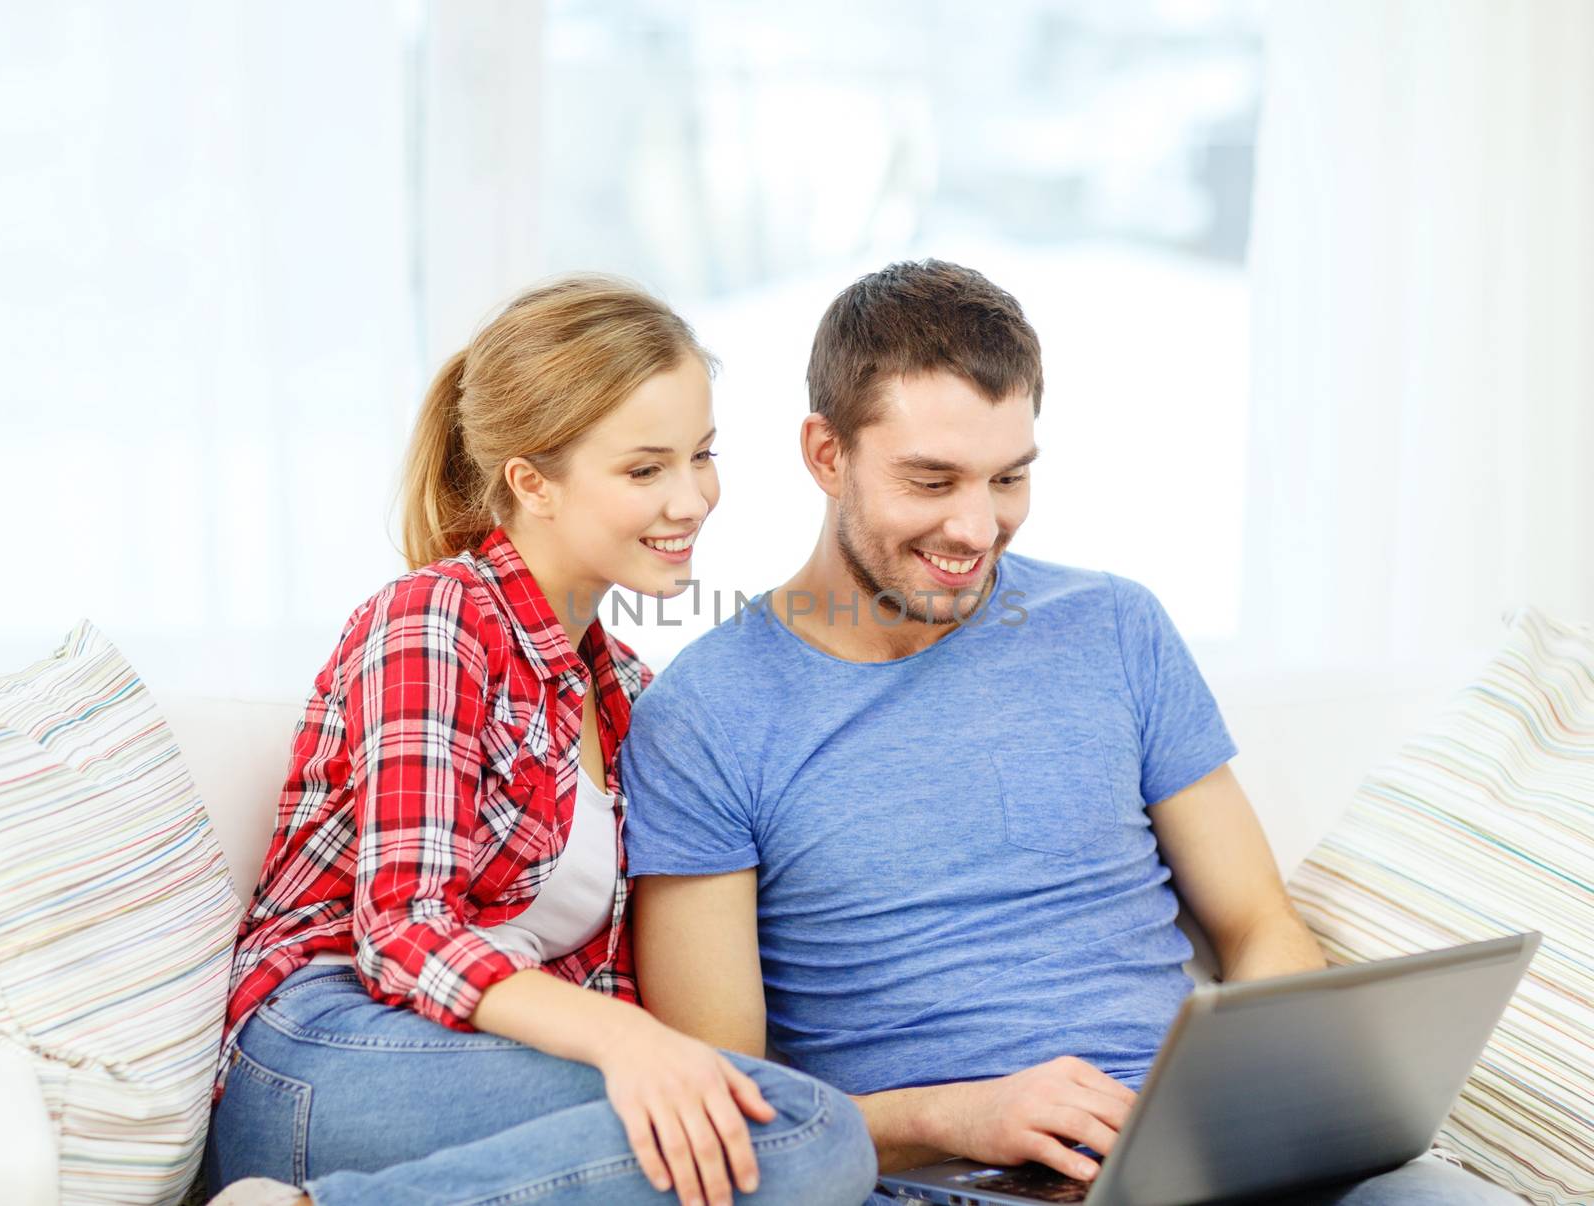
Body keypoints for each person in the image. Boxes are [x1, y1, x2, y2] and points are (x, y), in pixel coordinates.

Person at [619, 259, 1519, 1204]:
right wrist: (950, 1117)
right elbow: (726, 1105)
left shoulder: (1115, 626)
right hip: (954, 1182)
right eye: (931, 480)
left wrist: (1265, 1103)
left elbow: (1260, 924)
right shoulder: (704, 715)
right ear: (825, 453)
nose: (975, 525)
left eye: (1009, 478)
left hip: (1207, 1158)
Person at [203, 277, 877, 1206]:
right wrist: (631, 1043)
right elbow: (402, 931)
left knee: (766, 1132)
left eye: (703, 456)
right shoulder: (435, 621)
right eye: (645, 470)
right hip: (318, 1055)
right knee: (794, 1128)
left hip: (473, 1075)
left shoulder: (630, 690)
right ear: (531, 482)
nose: (691, 500)